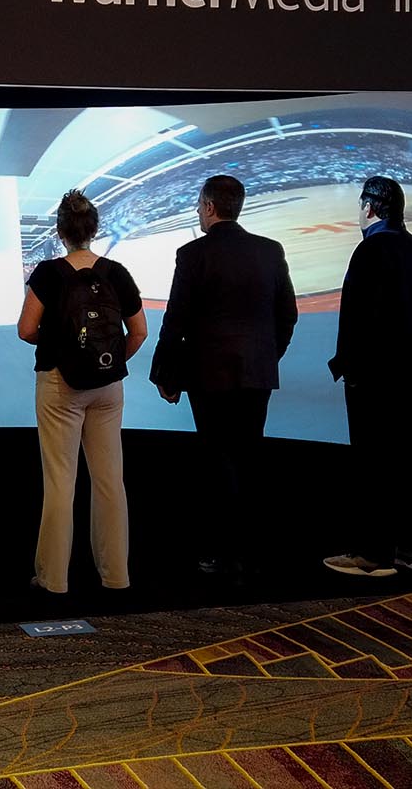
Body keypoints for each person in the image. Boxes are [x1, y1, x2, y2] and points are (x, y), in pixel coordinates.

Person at [149, 175, 297, 579]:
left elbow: (175, 318)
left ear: (211, 207)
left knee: (216, 460)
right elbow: (288, 315)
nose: (198, 211)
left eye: (199, 205)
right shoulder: (270, 251)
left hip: (207, 374)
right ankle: (250, 553)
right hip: (257, 372)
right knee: (249, 458)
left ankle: (215, 553)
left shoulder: (192, 254)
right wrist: (268, 354)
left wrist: (163, 371)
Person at [18, 190, 148, 595]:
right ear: (94, 229)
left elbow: (25, 330)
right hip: (108, 387)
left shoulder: (47, 274)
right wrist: (108, 362)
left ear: (60, 232)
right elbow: (140, 331)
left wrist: (61, 350)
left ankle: (54, 579)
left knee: (60, 481)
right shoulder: (117, 272)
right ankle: (116, 575)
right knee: (110, 480)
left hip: (60, 385)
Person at [324, 176, 412, 578]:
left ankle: (373, 555)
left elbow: (357, 319)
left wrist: (349, 369)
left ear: (370, 208)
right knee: (408, 458)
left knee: (372, 463)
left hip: (373, 377)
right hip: (411, 376)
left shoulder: (369, 251)